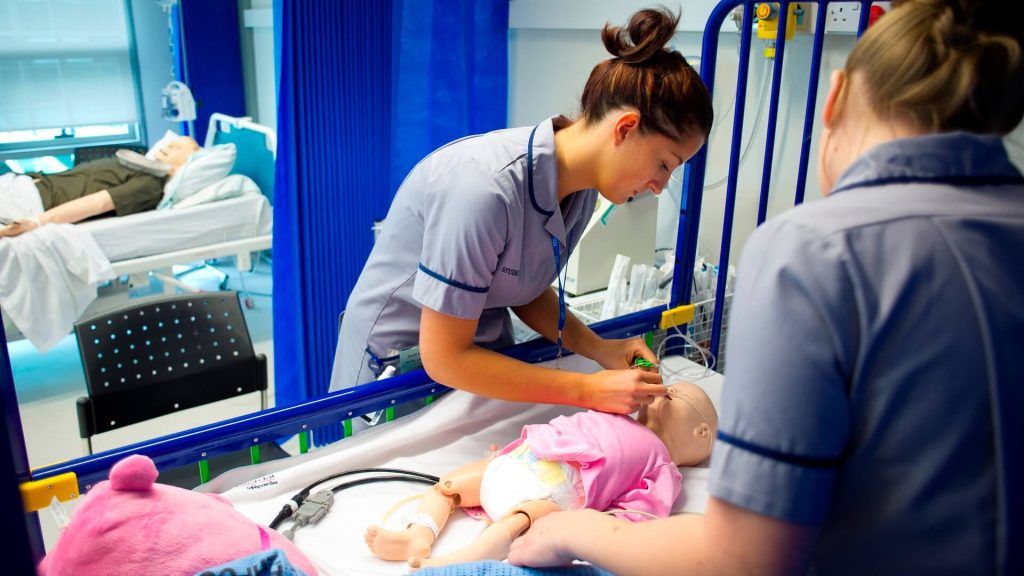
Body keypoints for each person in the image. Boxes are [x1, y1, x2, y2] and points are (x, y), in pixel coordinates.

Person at [494, 1, 1024, 574]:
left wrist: (577, 530)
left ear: (836, 96)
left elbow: (743, 555)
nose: (658, 185)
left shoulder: (816, 252)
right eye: (665, 165)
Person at [330, 7, 713, 416]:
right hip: (396, 367)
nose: (659, 187)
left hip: (475, 361)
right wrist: (588, 390)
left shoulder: (578, 189)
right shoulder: (482, 188)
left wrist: (601, 348)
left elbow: (522, 288)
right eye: (664, 164)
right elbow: (444, 356)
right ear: (625, 128)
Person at [364, 381, 718, 569]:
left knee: (518, 522)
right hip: (521, 459)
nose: (664, 391)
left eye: (674, 393)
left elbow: (641, 512)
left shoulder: (661, 465)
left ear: (701, 431)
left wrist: (604, 522)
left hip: (554, 493)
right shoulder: (621, 414)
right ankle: (417, 535)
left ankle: (456, 561)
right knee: (449, 486)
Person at [0, 135, 199, 238]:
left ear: (187, 162)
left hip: (29, 201)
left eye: (178, 147)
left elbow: (99, 203)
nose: (169, 146)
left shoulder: (150, 184)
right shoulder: (140, 166)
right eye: (172, 143)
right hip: (21, 186)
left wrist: (36, 222)